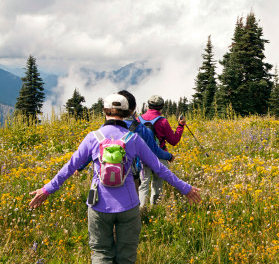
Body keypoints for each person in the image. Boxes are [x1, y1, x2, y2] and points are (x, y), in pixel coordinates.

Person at [29, 93, 201, 263]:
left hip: (98, 204)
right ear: (128, 113)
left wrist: (47, 189)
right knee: (126, 257)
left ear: (104, 111)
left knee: (101, 253)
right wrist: (186, 189)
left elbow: (70, 166)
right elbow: (159, 168)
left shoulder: (93, 138)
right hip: (129, 206)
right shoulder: (133, 139)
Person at [138, 95, 185, 207]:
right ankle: (154, 207)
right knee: (157, 185)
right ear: (161, 107)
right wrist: (180, 126)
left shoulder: (138, 120)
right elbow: (173, 141)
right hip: (160, 157)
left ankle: (142, 210)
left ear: (148, 105)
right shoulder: (163, 121)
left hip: (142, 157)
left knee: (143, 185)